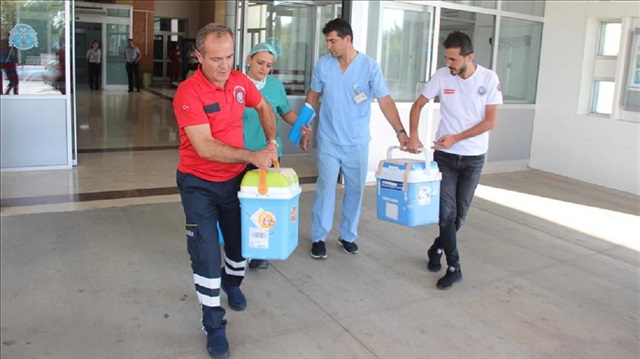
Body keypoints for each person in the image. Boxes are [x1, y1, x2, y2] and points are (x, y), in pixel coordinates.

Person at [172, 23, 277, 359]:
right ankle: (213, 322)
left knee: (240, 246)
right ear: (198, 56)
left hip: (235, 183)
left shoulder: (239, 82)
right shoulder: (188, 92)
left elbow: (263, 107)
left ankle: (232, 284)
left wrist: (271, 142)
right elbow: (203, 147)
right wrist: (252, 156)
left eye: (229, 57)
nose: (223, 66)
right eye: (215, 58)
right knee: (204, 253)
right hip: (198, 184)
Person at [305, 18, 408, 260]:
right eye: (327, 41)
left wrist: (400, 132)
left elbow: (385, 101)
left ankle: (348, 235)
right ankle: (319, 237)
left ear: (347, 39)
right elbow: (313, 96)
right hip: (329, 140)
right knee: (325, 188)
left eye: (333, 41)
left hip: (357, 142)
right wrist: (305, 128)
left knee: (355, 190)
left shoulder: (370, 67)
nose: (329, 46)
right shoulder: (323, 65)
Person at [406, 31, 502, 290]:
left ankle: (437, 247)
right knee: (446, 215)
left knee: (459, 217)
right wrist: (413, 135)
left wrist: (457, 137)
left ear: (469, 57)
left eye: (453, 59)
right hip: (445, 158)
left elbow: (490, 121)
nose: (448, 64)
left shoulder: (488, 79)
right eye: (446, 58)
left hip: (473, 158)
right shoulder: (441, 76)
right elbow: (417, 105)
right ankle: (454, 266)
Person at [241, 38, 312, 269]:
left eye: (268, 65)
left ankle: (259, 250)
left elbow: (285, 112)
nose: (263, 68)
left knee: (264, 200)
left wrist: (301, 126)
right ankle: (239, 244)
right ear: (249, 59)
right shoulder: (237, 84)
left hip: (269, 153)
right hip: (241, 152)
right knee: (239, 199)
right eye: (260, 62)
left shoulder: (275, 87)